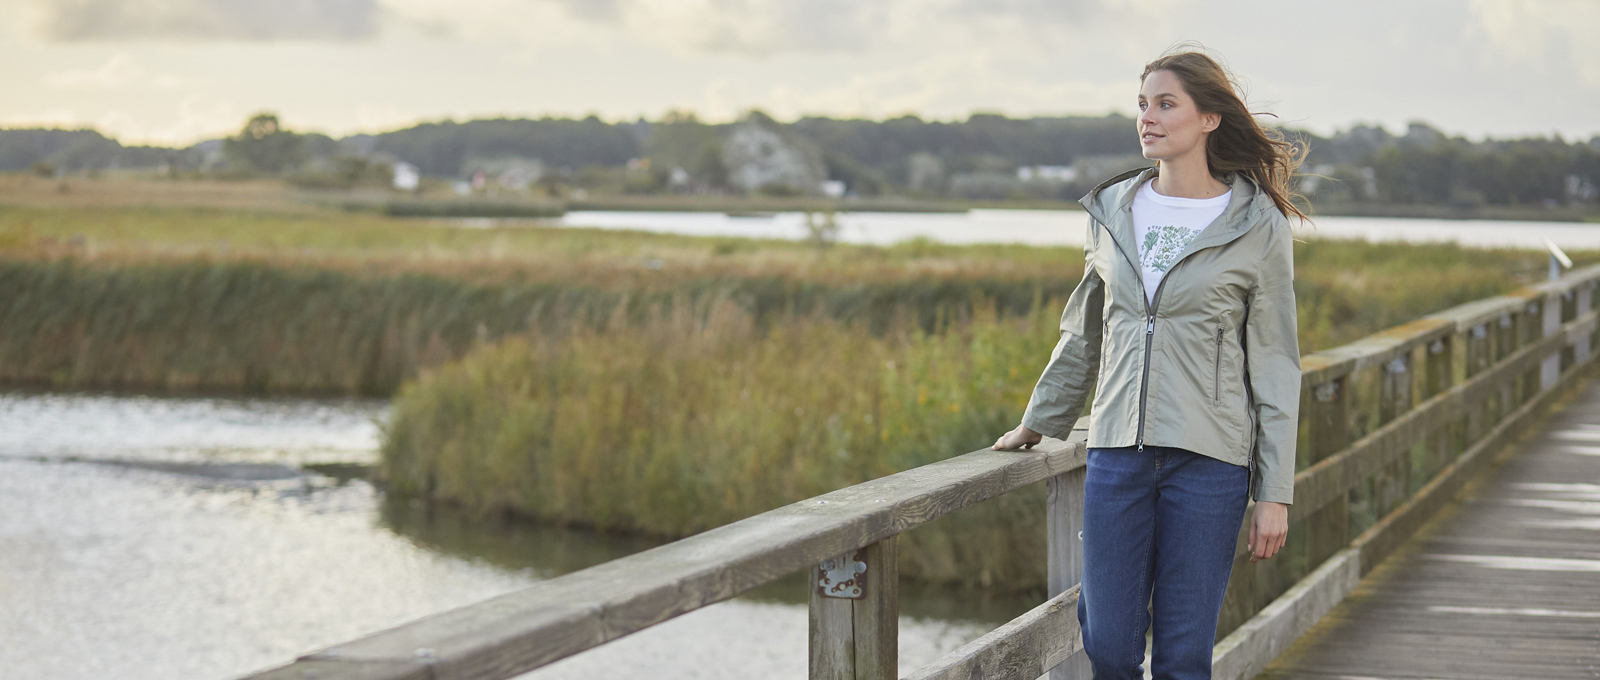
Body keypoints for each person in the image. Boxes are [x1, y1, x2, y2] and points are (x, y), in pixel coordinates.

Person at [992, 48, 1306, 680]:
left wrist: (1274, 492)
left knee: (1184, 656)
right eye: (1142, 104)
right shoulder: (1113, 213)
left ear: (1210, 118)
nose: (1148, 118)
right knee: (1107, 643)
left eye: (1166, 104)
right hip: (1117, 452)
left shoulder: (1256, 224)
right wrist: (1038, 421)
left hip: (1211, 459)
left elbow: (1275, 362)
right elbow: (1083, 331)